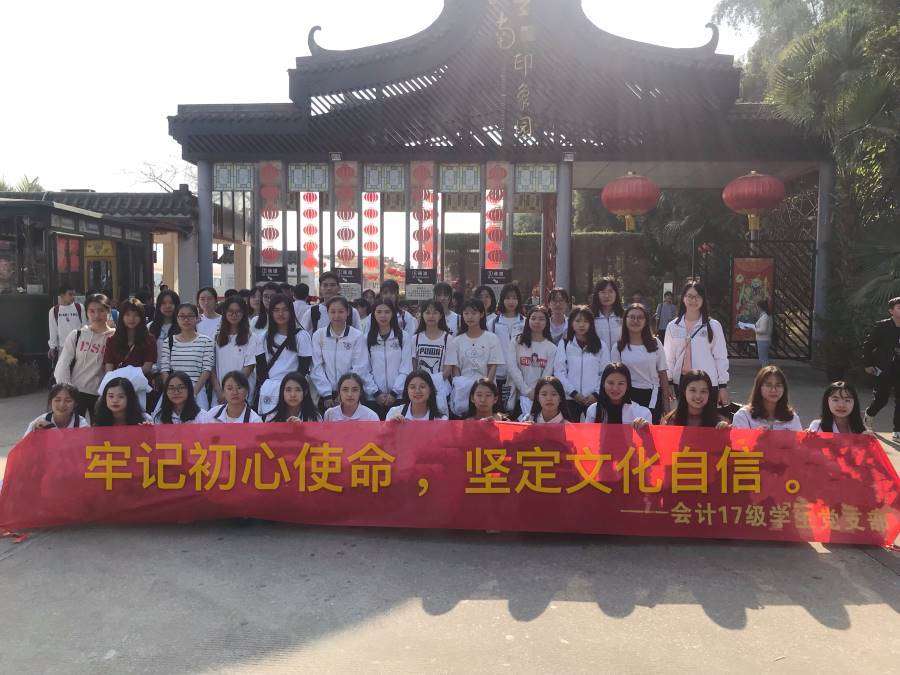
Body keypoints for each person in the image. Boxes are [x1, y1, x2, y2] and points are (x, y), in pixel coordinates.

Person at [663, 281, 730, 406]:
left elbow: (720, 357)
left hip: (707, 382)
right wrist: (669, 381)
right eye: (690, 296)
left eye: (698, 296)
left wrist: (722, 385)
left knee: (707, 417)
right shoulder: (673, 326)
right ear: (683, 298)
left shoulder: (713, 326)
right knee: (684, 417)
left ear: (703, 299)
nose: (693, 300)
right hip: (681, 382)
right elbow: (669, 357)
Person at [53, 293, 115, 421]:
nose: (96, 315)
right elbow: (63, 364)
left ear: (108, 311)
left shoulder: (114, 337)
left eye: (101, 310)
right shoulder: (77, 335)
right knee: (74, 428)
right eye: (92, 311)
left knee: (99, 430)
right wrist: (67, 391)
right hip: (76, 392)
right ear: (86, 313)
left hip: (101, 393)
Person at [611, 303, 671, 423]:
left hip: (652, 395)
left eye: (640, 317)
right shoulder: (618, 347)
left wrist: (666, 402)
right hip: (627, 395)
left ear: (645, 321)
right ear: (625, 320)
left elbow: (662, 373)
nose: (635, 321)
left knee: (650, 430)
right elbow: (615, 376)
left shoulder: (655, 343)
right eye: (632, 317)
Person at [444, 299, 505, 417]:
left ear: (481, 314)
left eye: (474, 313)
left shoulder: (492, 338)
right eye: (466, 313)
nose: (469, 317)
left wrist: (485, 388)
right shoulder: (456, 341)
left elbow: (493, 366)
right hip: (463, 392)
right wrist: (462, 387)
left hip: (485, 393)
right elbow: (455, 369)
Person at [255, 294, 312, 416]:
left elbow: (303, 367)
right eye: (276, 310)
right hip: (270, 390)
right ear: (271, 313)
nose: (280, 314)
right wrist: (268, 386)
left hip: (293, 390)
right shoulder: (263, 338)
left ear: (291, 312)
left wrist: (291, 387)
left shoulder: (301, 336)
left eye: (285, 310)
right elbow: (261, 367)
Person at [310, 297, 370, 411]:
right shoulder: (319, 335)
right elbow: (316, 366)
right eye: (332, 312)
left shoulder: (357, 336)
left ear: (348, 312)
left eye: (341, 311)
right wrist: (326, 394)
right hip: (326, 396)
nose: (336, 316)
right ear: (327, 313)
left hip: (350, 394)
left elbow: (360, 366)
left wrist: (345, 391)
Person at [554, 306, 610, 421]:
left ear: (591, 324)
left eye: (585, 321)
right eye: (578, 321)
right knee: (569, 431)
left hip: (594, 400)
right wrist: (574, 393)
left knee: (594, 431)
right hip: (570, 399)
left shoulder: (601, 346)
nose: (581, 325)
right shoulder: (564, 344)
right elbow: (559, 372)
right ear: (571, 323)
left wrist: (596, 394)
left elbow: (605, 373)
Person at [158, 303, 215, 410]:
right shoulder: (169, 341)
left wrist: (193, 394)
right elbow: (164, 369)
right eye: (182, 316)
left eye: (190, 316)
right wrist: (170, 390)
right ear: (177, 318)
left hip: (197, 392)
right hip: (174, 392)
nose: (186, 319)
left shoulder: (206, 341)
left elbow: (207, 369)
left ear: (197, 318)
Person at [364, 300, 412, 418]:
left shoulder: (403, 336)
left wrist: (395, 393)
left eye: (387, 312)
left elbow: (406, 367)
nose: (383, 315)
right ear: (373, 314)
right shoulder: (366, 338)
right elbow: (364, 369)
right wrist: (376, 393)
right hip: (373, 398)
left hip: (398, 397)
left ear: (393, 314)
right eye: (379, 312)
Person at [506, 305, 556, 415]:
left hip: (539, 398)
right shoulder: (517, 341)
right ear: (528, 320)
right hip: (517, 395)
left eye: (541, 319)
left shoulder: (551, 348)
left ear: (547, 322)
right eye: (533, 318)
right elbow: (512, 368)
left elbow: (547, 374)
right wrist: (526, 391)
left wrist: (537, 392)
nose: (537, 322)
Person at [862, 296, 900, 439]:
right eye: (899, 308)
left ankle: (898, 430)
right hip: (884, 368)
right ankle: (869, 414)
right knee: (882, 398)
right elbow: (868, 345)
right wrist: (868, 364)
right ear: (891, 311)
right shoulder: (882, 326)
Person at [212, 297, 257, 405]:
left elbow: (249, 366)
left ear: (243, 313)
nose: (234, 315)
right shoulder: (216, 336)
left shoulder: (251, 337)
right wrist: (219, 391)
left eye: (238, 312)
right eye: (230, 311)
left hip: (241, 391)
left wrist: (232, 390)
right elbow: (212, 367)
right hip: (220, 395)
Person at [411, 300, 452, 415]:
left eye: (435, 312)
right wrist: (422, 384)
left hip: (441, 388)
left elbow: (448, 368)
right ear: (422, 315)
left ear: (441, 315)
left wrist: (432, 383)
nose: (431, 316)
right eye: (427, 312)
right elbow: (413, 365)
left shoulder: (448, 338)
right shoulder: (415, 338)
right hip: (419, 389)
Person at [731, 365, 802, 430]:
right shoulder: (744, 416)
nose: (773, 390)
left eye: (778, 385)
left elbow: (799, 439)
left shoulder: (792, 417)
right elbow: (740, 439)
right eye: (768, 385)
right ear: (759, 388)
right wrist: (756, 436)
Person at [584, 363, 651, 429]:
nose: (615, 388)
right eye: (611, 383)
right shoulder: (593, 410)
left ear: (627, 385)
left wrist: (645, 428)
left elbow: (649, 434)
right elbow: (587, 435)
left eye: (621, 383)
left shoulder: (642, 413)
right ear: (603, 384)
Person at [491, 283, 526, 407]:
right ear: (502, 299)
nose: (511, 301)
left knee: (516, 409)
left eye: (514, 298)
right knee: (499, 408)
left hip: (520, 374)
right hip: (499, 373)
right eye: (507, 298)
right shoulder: (493, 323)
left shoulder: (525, 322)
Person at [104, 299, 156, 378]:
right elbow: (108, 368)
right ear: (122, 316)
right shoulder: (112, 340)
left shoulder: (149, 340)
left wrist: (128, 376)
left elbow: (147, 367)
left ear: (141, 317)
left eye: (136, 315)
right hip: (116, 383)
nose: (131, 318)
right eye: (127, 314)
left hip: (139, 382)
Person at [148, 289, 181, 409]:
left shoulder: (182, 326)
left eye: (171, 303)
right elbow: (148, 353)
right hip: (156, 377)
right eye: (163, 303)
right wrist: (155, 374)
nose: (167, 306)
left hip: (177, 375)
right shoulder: (151, 327)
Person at [663, 370, 730, 428]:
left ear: (709, 394)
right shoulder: (670, 421)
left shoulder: (719, 422)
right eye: (693, 390)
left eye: (703, 391)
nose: (698, 396)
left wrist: (725, 430)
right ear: (684, 391)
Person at [197, 370, 262, 424]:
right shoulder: (213, 413)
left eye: (239, 388)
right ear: (223, 392)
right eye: (229, 388)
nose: (235, 392)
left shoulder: (255, 420)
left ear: (246, 391)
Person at [24, 383, 88, 435]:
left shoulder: (81, 424)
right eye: (57, 400)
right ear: (50, 402)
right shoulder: (38, 423)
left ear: (75, 404)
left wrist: (51, 427)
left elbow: (86, 445)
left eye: (68, 401)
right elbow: (24, 445)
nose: (62, 405)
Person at [48, 285, 83, 368]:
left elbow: (85, 327)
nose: (73, 297)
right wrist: (52, 347)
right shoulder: (54, 311)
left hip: (79, 347)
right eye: (70, 294)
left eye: (74, 294)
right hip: (63, 348)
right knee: (64, 372)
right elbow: (53, 330)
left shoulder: (80, 307)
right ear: (62, 295)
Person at [590, 277, 624, 350]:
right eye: (603, 292)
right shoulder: (590, 316)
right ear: (597, 294)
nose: (606, 296)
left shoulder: (624, 315)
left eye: (610, 291)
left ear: (616, 294)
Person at [753, 299, 773, 366]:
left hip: (763, 340)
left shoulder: (765, 317)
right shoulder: (767, 315)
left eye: (757, 307)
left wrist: (754, 329)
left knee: (763, 359)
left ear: (760, 307)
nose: (757, 308)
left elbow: (763, 330)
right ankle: (766, 370)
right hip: (764, 340)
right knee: (764, 358)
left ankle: (765, 371)